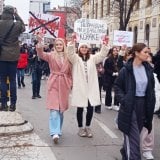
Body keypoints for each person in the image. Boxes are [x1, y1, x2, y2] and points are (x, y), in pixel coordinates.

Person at [114, 43, 155, 160]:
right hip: (130, 105)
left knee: (136, 136)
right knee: (134, 140)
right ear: (136, 53)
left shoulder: (148, 69)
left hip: (144, 106)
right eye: (145, 52)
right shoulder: (126, 70)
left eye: (148, 52)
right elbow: (117, 86)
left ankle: (124, 152)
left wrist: (152, 103)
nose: (148, 54)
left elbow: (151, 89)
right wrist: (124, 100)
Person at [67, 35, 110, 138]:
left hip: (91, 87)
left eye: (86, 47)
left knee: (91, 108)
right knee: (80, 109)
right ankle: (80, 128)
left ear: (88, 49)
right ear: (79, 48)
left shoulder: (93, 58)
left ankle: (88, 127)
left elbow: (102, 55)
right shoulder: (76, 59)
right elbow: (70, 53)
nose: (84, 49)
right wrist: (72, 43)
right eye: (82, 47)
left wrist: (104, 44)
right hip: (80, 87)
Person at [36, 35, 72, 144]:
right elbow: (41, 54)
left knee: (60, 110)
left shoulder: (68, 57)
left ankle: (58, 130)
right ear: (55, 46)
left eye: (61, 44)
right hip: (54, 83)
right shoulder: (51, 56)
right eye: (57, 45)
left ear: (64, 46)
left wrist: (70, 83)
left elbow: (71, 72)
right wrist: (40, 43)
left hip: (64, 84)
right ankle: (54, 132)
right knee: (54, 109)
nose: (59, 46)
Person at [0, 6, 25, 111]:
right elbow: (23, 27)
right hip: (13, 56)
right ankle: (13, 104)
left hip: (1, 55)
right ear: (12, 13)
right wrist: (17, 14)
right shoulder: (17, 24)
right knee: (12, 80)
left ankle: (4, 103)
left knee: (2, 80)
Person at [103, 47, 119, 111]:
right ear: (111, 51)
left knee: (117, 91)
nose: (115, 52)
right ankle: (108, 104)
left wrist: (118, 72)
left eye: (116, 50)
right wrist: (112, 73)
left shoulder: (118, 59)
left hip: (117, 77)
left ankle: (116, 104)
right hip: (109, 77)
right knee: (108, 91)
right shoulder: (108, 59)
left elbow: (120, 66)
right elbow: (106, 68)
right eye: (114, 50)